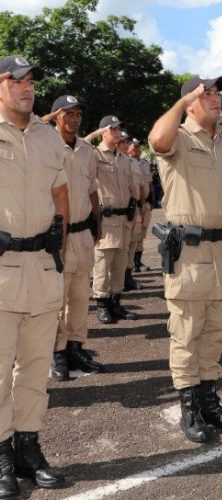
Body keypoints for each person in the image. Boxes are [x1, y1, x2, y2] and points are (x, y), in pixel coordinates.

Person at [149, 75, 222, 444]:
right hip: (190, 253)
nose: (214, 97)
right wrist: (180, 102)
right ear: (189, 102)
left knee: (214, 332)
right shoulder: (178, 139)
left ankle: (209, 401)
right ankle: (189, 407)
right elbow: (157, 140)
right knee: (186, 332)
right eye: (205, 93)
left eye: (216, 92)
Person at [0, 56, 68, 496]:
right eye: (17, 80)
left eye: (31, 81)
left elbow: (59, 190)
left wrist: (58, 240)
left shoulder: (47, 136)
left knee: (36, 367)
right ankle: (1, 455)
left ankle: (29, 446)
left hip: (42, 268)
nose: (28, 87)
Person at [42, 95, 105, 380]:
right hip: (59, 235)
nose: (74, 119)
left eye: (77, 114)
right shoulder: (45, 144)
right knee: (57, 297)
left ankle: (76, 347)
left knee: (80, 296)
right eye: (68, 114)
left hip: (82, 234)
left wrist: (97, 219)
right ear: (56, 116)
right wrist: (46, 120)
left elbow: (91, 186)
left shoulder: (85, 149)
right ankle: (57, 352)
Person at [87, 116, 138, 323]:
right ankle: (102, 303)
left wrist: (134, 208)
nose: (118, 132)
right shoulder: (94, 154)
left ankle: (116, 303)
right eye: (113, 129)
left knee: (120, 263)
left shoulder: (124, 158)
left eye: (119, 128)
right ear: (104, 132)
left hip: (124, 219)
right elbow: (78, 146)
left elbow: (131, 186)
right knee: (102, 264)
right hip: (105, 221)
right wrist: (97, 134)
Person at [116, 131, 144, 292]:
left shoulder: (131, 162)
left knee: (132, 243)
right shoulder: (115, 162)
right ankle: (120, 281)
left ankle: (128, 277)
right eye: (123, 142)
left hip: (135, 208)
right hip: (123, 210)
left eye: (127, 142)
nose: (126, 144)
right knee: (123, 247)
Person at [129, 138, 154, 273]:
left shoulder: (145, 163)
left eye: (138, 146)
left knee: (142, 233)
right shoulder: (127, 162)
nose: (137, 149)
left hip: (145, 204)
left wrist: (152, 200)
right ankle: (130, 262)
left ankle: (137, 261)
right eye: (134, 146)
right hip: (134, 204)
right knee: (132, 234)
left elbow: (149, 182)